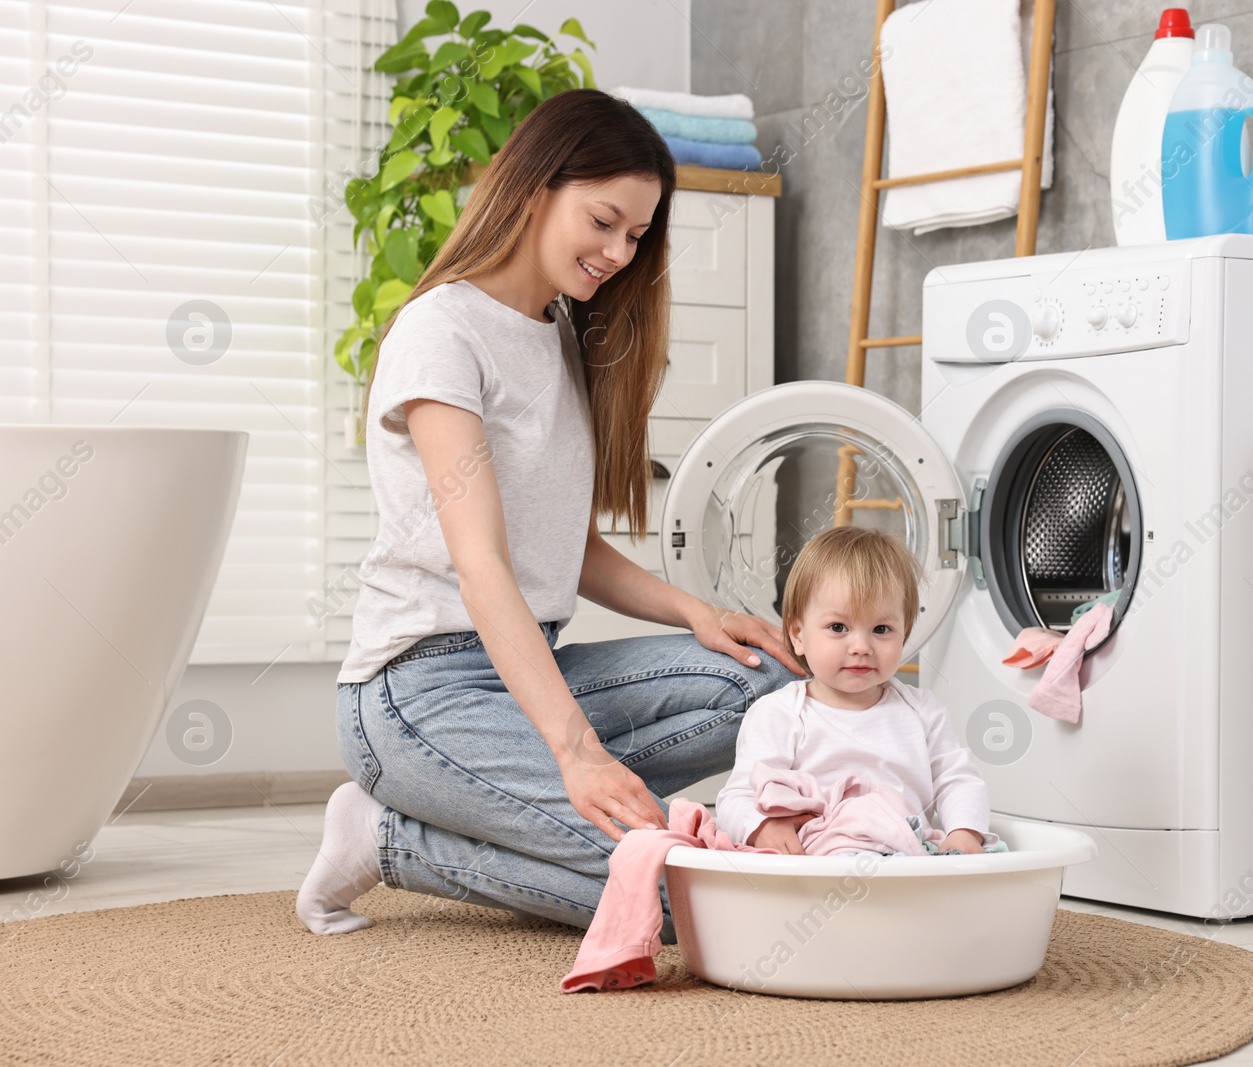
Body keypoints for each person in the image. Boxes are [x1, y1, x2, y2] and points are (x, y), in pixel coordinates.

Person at [295, 89, 802, 939]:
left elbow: (567, 548)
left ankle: (525, 803)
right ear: (537, 188)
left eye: (636, 236)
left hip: (534, 667)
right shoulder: (441, 332)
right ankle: (387, 835)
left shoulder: (562, 331)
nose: (618, 251)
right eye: (603, 221)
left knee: (773, 684)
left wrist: (701, 614)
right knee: (693, 906)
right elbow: (483, 562)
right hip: (417, 694)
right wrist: (573, 752)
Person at [714, 526, 999, 856]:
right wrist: (764, 827)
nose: (861, 646)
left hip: (906, 853)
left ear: (904, 633)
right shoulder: (779, 713)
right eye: (838, 628)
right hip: (816, 855)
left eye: (881, 629)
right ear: (797, 634)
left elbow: (957, 780)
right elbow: (737, 797)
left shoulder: (922, 711)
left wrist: (964, 832)